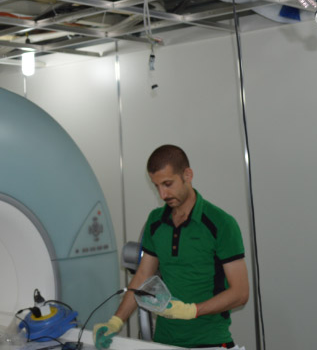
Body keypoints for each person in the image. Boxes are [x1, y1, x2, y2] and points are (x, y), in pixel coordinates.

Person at [93, 145, 249, 349]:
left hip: (209, 341)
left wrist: (191, 310)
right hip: (164, 342)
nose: (162, 194)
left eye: (168, 184)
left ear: (188, 175)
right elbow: (142, 277)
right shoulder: (155, 221)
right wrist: (115, 322)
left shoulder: (220, 223)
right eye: (156, 186)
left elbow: (240, 293)